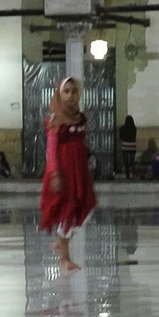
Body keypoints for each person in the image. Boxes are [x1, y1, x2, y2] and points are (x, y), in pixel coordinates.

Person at [39, 76, 97, 271]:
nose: (70, 95)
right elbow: (52, 148)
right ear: (59, 93)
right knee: (68, 209)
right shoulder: (55, 118)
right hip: (63, 170)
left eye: (74, 91)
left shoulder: (79, 118)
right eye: (66, 91)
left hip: (78, 168)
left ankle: (61, 241)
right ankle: (64, 258)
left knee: (84, 206)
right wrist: (55, 173)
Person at [119, 114, 138, 179]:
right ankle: (133, 173)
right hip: (132, 146)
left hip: (125, 146)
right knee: (132, 161)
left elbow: (120, 137)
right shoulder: (134, 128)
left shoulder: (122, 128)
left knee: (126, 161)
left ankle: (127, 175)